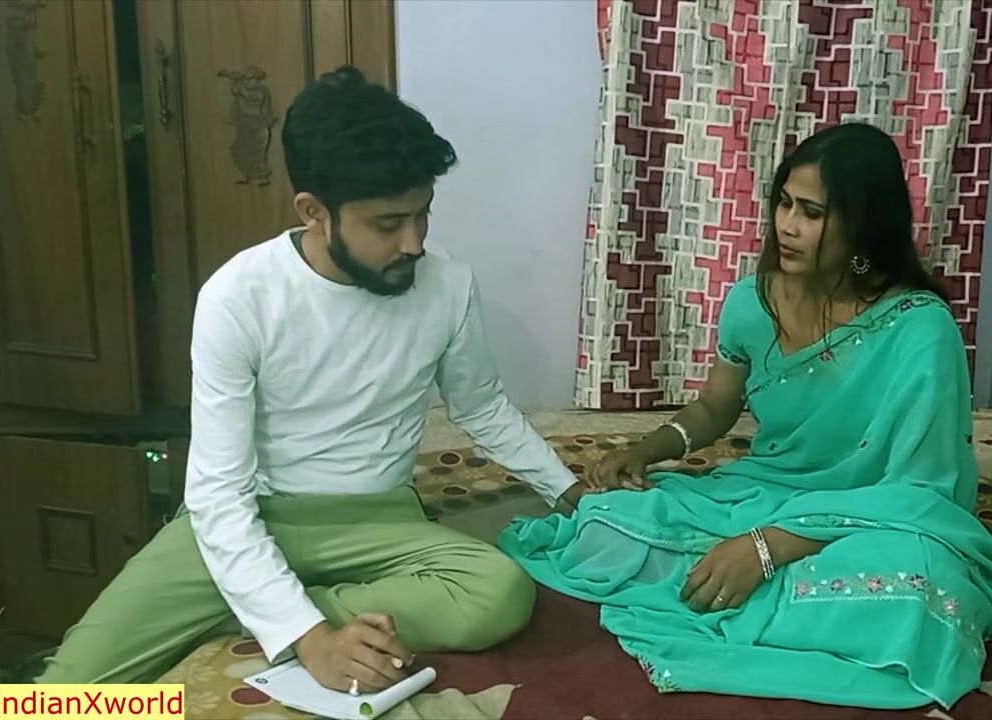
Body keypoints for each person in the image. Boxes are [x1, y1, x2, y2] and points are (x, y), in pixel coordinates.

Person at [37, 66, 586, 691]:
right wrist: (313, 641)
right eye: (387, 224)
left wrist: (568, 490)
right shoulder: (238, 298)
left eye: (423, 214)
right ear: (314, 211)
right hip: (250, 517)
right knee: (59, 696)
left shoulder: (448, 285)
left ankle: (257, 608)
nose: (414, 243)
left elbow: (481, 406)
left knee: (499, 593)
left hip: (377, 522)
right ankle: (269, 605)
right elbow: (218, 496)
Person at [500, 123, 992, 709]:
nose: (786, 225)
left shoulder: (919, 327)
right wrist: (646, 450)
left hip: (876, 515)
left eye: (811, 212)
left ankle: (747, 587)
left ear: (864, 223)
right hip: (766, 491)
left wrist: (767, 548)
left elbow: (922, 488)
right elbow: (716, 407)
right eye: (784, 203)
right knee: (602, 525)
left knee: (922, 595)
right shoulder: (753, 300)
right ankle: (798, 605)